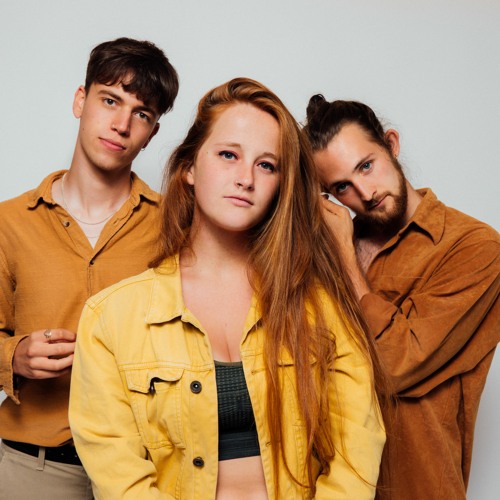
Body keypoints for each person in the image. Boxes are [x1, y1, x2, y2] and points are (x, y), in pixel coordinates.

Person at [69, 77, 387, 499]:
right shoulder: (110, 318)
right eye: (228, 155)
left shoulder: (320, 306)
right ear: (189, 168)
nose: (245, 179)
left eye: (266, 165)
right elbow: (119, 477)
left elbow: (358, 447)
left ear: (281, 185)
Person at [0, 37, 179, 499]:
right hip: (32, 468)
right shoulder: (8, 222)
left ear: (153, 132)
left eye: (142, 113)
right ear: (80, 101)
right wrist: (12, 357)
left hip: (143, 472)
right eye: (110, 100)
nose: (122, 124)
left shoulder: (175, 226)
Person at [303, 95, 500, 500]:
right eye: (342, 186)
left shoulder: (474, 248)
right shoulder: (323, 251)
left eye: (366, 165)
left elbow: (398, 364)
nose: (365, 192)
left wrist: (346, 262)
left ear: (391, 144)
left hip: (416, 488)